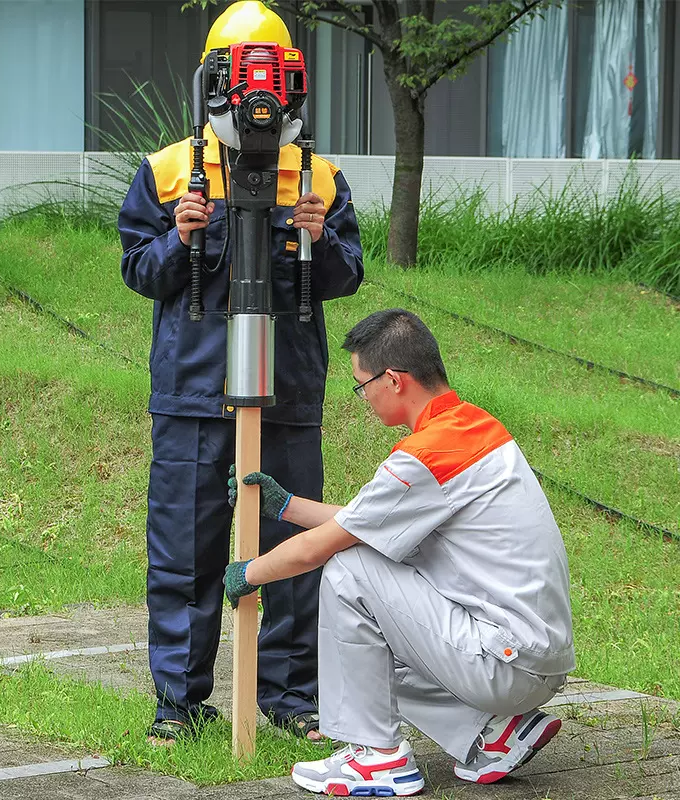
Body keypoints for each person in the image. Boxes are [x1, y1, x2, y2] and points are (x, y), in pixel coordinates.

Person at [118, 0, 363, 743]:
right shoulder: (166, 172)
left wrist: (317, 240)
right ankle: (179, 702)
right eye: (240, 73)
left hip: (286, 392)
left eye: (273, 73)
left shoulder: (318, 173)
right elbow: (139, 268)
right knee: (184, 551)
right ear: (212, 80)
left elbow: (347, 275)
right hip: (193, 395)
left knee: (292, 550)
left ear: (293, 82)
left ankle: (288, 700)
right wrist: (178, 238)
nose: (258, 91)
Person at [225, 308, 575, 795]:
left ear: (393, 380)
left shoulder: (426, 457)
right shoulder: (472, 429)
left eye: (361, 384)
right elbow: (368, 522)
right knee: (358, 657)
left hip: (505, 663)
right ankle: (494, 732)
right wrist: (287, 508)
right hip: (531, 657)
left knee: (350, 570)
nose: (363, 397)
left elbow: (325, 549)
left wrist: (250, 572)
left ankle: (377, 759)